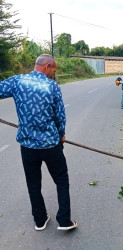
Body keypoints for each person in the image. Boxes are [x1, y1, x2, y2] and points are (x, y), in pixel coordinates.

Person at [0, 54, 77, 231]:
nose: (53, 74)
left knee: (33, 184)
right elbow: (60, 115)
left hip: (28, 146)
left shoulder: (17, 81)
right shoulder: (52, 86)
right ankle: (64, 221)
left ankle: (40, 220)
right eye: (53, 71)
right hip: (50, 145)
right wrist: (62, 134)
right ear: (47, 66)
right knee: (62, 181)